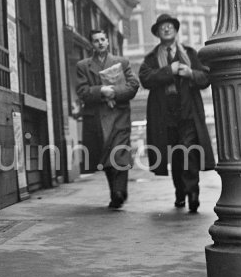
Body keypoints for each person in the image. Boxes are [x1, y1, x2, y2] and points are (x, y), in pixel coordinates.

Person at [139, 14, 214, 213]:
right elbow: (145, 78)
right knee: (176, 155)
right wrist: (168, 71)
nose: (166, 29)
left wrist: (191, 73)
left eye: (170, 26)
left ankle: (193, 193)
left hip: (188, 113)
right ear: (157, 33)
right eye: (162, 27)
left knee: (189, 150)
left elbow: (206, 77)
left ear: (175, 29)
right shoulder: (152, 58)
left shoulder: (190, 53)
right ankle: (180, 192)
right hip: (165, 116)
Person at [76, 29, 139, 209]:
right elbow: (82, 91)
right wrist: (100, 91)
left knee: (119, 153)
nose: (100, 43)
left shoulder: (122, 62)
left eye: (103, 39)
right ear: (92, 45)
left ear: (108, 42)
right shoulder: (83, 66)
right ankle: (116, 191)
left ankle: (118, 192)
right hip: (98, 118)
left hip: (119, 115)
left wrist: (115, 92)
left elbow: (134, 85)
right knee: (107, 156)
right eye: (96, 40)